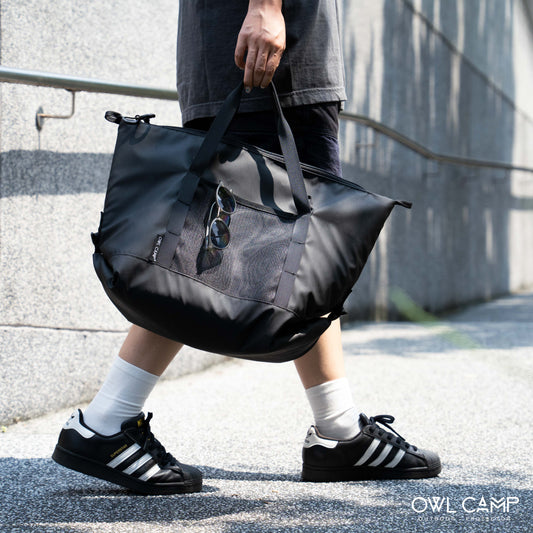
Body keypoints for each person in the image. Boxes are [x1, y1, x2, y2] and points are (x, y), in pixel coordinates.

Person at [52, 0, 441, 494]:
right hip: (272, 48)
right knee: (285, 249)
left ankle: (338, 431)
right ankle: (107, 422)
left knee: (261, 256)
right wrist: (266, 8)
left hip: (248, 47)